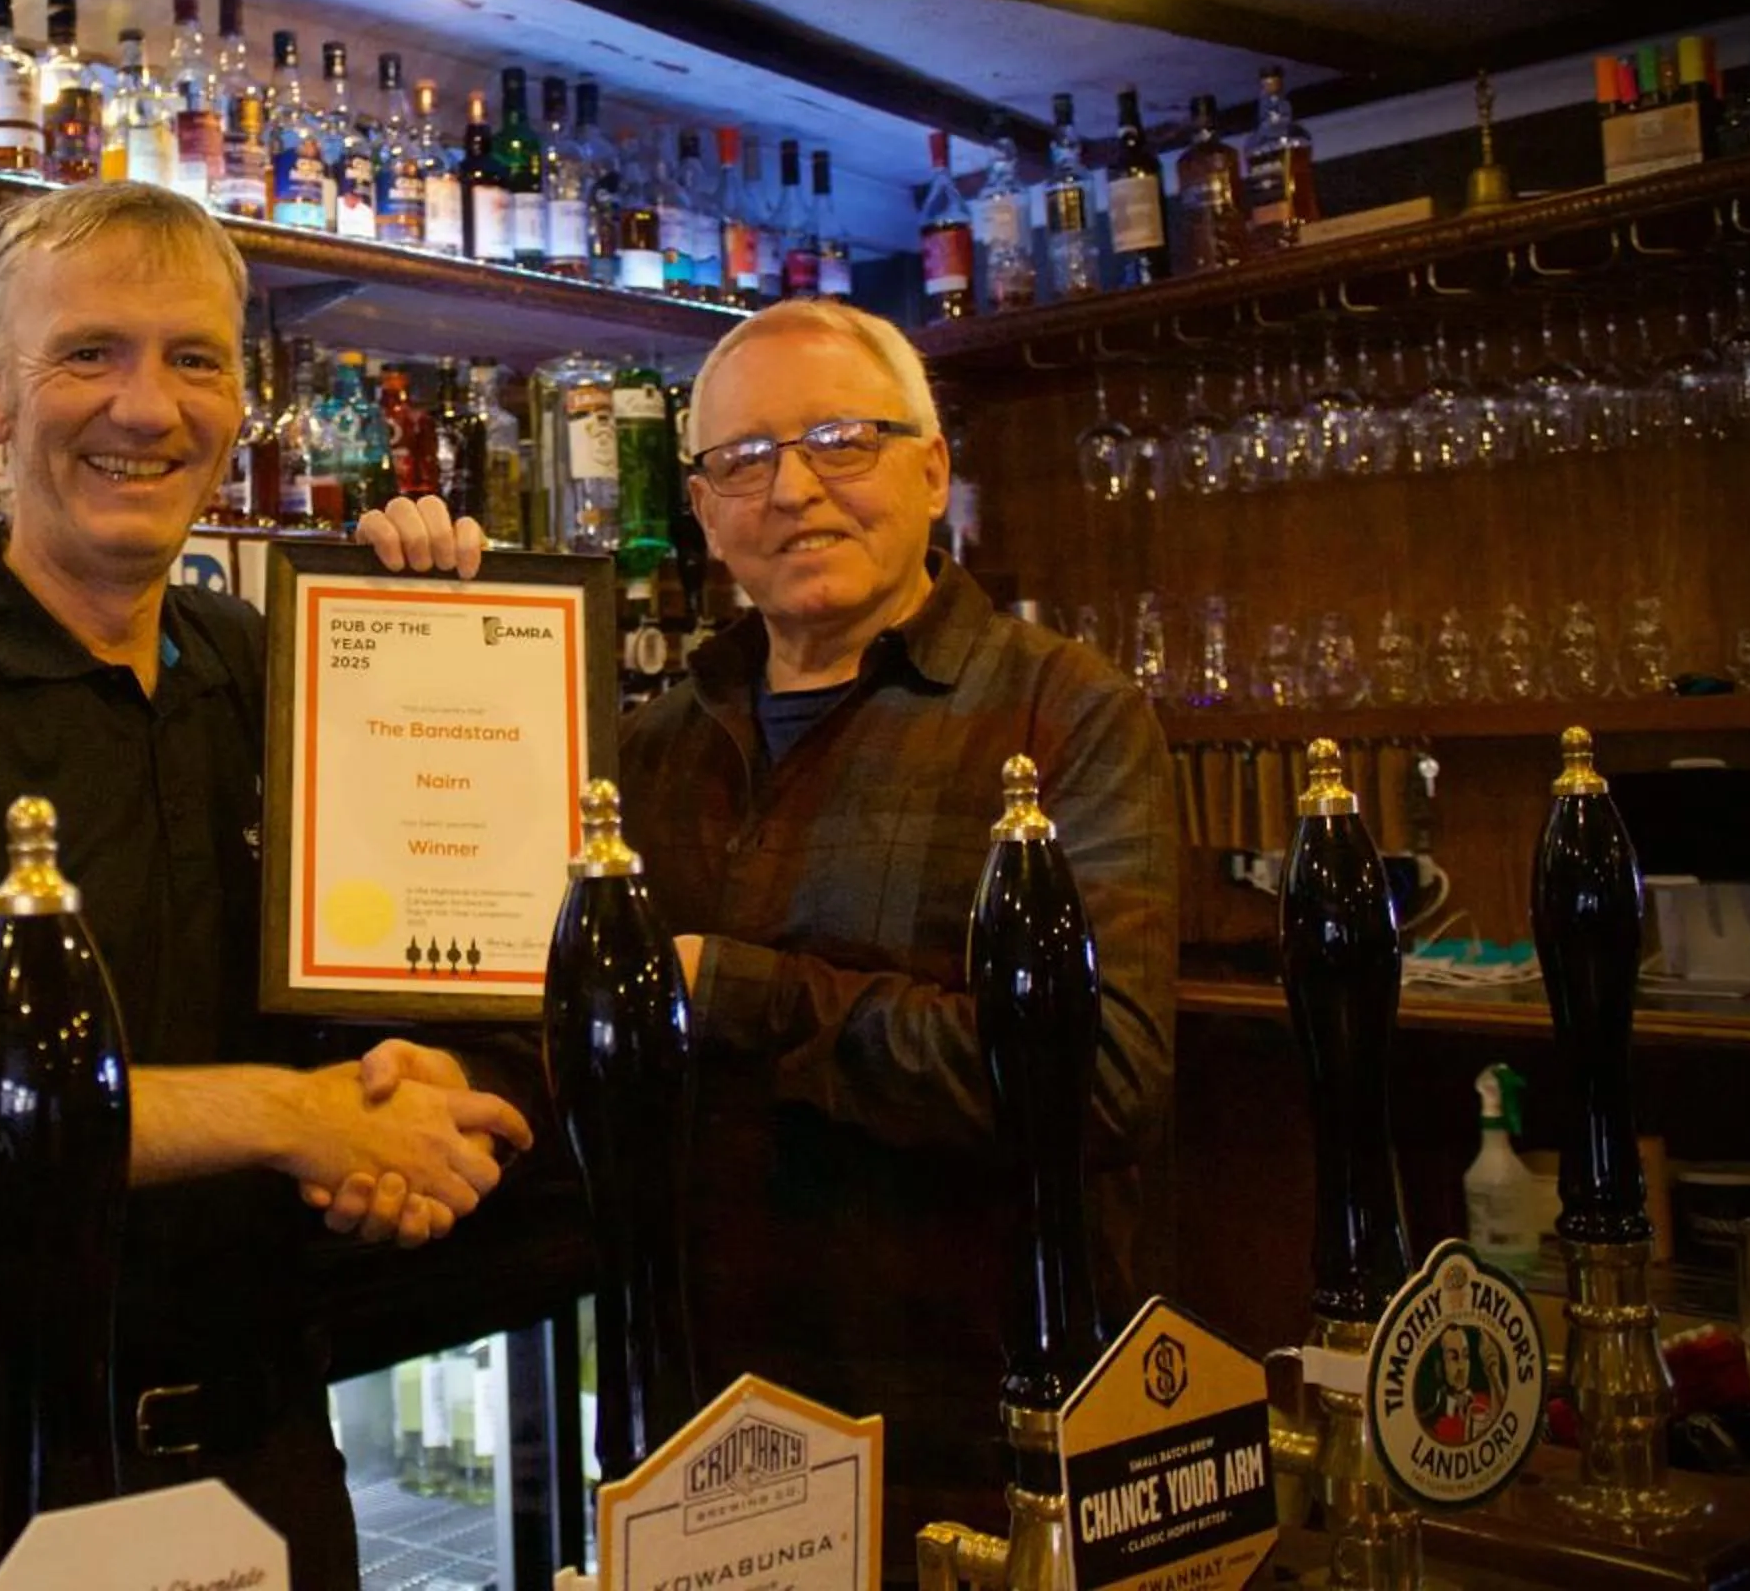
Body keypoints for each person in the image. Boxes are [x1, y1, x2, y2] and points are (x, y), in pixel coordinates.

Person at [0, 180, 532, 1591]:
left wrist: (446, 635)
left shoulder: (287, 667)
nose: (146, 408)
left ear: (240, 401)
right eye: (89, 353)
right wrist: (294, 1120)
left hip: (271, 1457)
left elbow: (443, 967)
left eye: (194, 357)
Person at [368, 296, 1178, 1553]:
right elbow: (559, 1026)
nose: (793, 486)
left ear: (931, 467)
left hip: (975, 1444)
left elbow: (1108, 1077)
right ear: (701, 508)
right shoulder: (641, 745)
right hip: (691, 1425)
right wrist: (453, 1072)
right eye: (743, 459)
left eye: (841, 439)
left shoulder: (1066, 715)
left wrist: (735, 992)